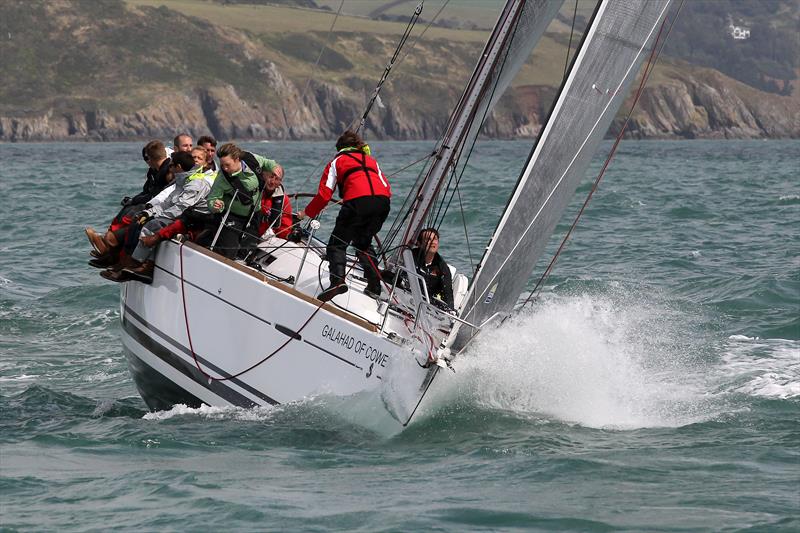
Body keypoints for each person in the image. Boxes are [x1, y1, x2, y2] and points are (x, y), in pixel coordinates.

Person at [298, 130, 390, 302]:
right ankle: (374, 286)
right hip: (383, 204)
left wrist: (305, 213)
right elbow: (386, 187)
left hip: (358, 203)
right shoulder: (371, 161)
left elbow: (324, 196)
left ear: (340, 148)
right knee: (363, 242)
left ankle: (337, 281)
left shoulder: (336, 162)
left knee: (337, 245)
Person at [85, 140, 172, 264]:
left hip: (162, 208)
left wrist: (136, 201)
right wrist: (132, 200)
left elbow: (156, 195)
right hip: (156, 204)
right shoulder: (155, 171)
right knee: (128, 208)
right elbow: (147, 191)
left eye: (147, 158)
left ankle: (112, 245)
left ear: (151, 158)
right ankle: (110, 250)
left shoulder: (166, 171)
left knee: (137, 218)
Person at [207, 143, 279, 259]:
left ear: (237, 159)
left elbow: (267, 162)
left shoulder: (251, 159)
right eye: (222, 165)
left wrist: (275, 167)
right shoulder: (222, 178)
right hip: (232, 216)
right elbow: (212, 199)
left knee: (248, 254)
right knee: (229, 253)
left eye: (227, 165)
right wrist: (215, 205)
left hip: (254, 214)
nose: (225, 168)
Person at [411, 228, 454, 310]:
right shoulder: (410, 258)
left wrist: (450, 311)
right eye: (428, 239)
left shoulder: (443, 268)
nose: (433, 242)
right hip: (407, 298)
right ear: (419, 244)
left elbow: (448, 294)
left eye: (435, 239)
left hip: (428, 307)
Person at [257, 164, 292, 239]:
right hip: (249, 233)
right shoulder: (254, 191)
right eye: (271, 177)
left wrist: (289, 235)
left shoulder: (284, 199)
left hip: (268, 239)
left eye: (277, 179)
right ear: (264, 175)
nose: (272, 181)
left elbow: (284, 226)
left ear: (280, 181)